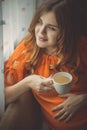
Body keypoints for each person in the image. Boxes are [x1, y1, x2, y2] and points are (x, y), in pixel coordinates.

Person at [1, 0, 87, 130]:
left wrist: (83, 100)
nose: (41, 32)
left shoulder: (81, 47)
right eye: (39, 22)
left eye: (51, 28)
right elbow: (4, 98)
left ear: (65, 31)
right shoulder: (27, 49)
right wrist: (28, 82)